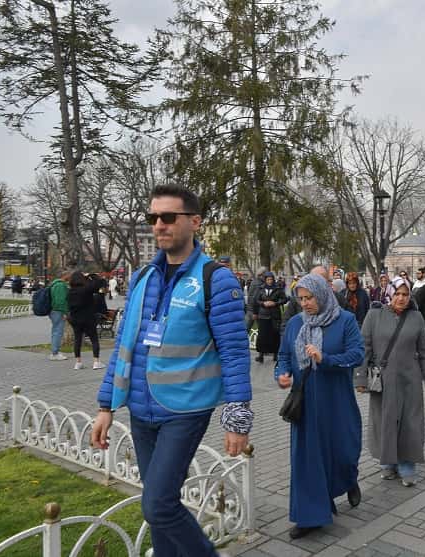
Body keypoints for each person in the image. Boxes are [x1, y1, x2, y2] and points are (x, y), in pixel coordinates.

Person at [91, 184, 252, 557]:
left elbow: (233, 353)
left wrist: (237, 417)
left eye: (167, 217)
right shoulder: (143, 277)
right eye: (153, 218)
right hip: (140, 409)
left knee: (158, 505)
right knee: (160, 505)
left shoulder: (216, 278)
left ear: (194, 222)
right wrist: (105, 405)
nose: (158, 225)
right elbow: (125, 347)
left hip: (185, 409)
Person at [276, 273, 364, 539]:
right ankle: (310, 516)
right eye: (300, 298)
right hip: (304, 403)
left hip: (336, 400)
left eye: (309, 297)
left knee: (343, 452)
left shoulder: (345, 321)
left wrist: (326, 358)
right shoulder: (294, 324)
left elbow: (358, 354)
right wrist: (281, 373)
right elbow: (283, 355)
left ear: (323, 295)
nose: (304, 304)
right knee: (306, 459)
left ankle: (347, 479)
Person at [356, 277, 425, 487]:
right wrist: (360, 378)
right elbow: (364, 349)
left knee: (410, 422)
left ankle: (407, 464)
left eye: (405, 294)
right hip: (383, 381)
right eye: (397, 294)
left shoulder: (416, 317)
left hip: (410, 379)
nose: (401, 298)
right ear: (389, 294)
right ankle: (388, 462)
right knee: (385, 421)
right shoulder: (374, 315)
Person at [67, 271, 107, 371]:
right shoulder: (86, 289)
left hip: (75, 319)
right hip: (88, 318)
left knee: (77, 339)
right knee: (94, 339)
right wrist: (91, 275)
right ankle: (96, 362)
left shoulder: (70, 292)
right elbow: (101, 282)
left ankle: (78, 362)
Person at [255, 271, 287, 363]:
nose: (270, 281)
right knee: (262, 335)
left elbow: (284, 299)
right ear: (265, 280)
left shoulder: (278, 288)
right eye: (268, 279)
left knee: (275, 334)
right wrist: (263, 303)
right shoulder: (260, 289)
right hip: (263, 315)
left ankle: (276, 355)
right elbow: (256, 300)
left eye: (271, 279)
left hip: (274, 314)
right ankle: (261, 355)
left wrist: (275, 303)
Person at [47, 271, 71, 361]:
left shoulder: (54, 284)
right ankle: (55, 353)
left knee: (55, 331)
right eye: (69, 275)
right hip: (58, 311)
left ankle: (54, 351)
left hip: (53, 311)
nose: (70, 277)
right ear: (64, 276)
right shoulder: (60, 285)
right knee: (58, 332)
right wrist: (65, 312)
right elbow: (60, 301)